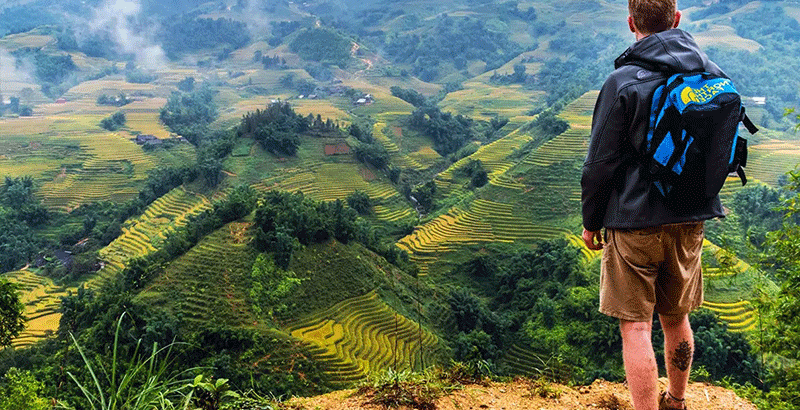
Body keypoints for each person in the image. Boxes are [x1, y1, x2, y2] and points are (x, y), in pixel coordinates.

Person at [580, 1, 728, 409]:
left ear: (631, 23)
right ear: (676, 20)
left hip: (634, 221)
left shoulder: (623, 81)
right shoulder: (709, 73)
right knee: (677, 318)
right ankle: (676, 402)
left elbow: (599, 164)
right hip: (690, 216)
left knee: (636, 327)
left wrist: (591, 221)